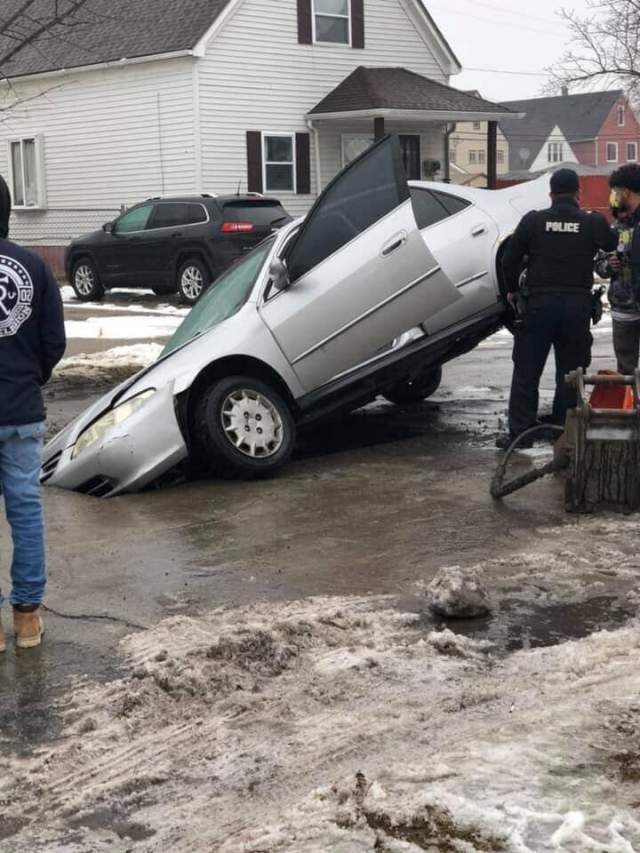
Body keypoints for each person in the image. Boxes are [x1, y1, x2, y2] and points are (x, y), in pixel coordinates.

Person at [497, 168, 617, 449]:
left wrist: (513, 290)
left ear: (551, 194)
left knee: (527, 370)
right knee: (571, 370)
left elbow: (508, 260)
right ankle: (564, 432)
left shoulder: (533, 221)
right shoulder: (591, 222)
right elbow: (611, 243)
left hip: (538, 306)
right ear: (579, 193)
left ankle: (520, 434)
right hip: (576, 308)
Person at [0, 175, 66, 651]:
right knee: (25, 513)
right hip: (22, 412)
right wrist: (29, 378)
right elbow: (53, 341)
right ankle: (26, 619)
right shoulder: (34, 267)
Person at [605, 165, 640, 373]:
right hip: (623, 309)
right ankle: (631, 404)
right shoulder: (616, 227)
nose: (613, 197)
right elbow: (599, 263)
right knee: (625, 372)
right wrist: (608, 265)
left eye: (615, 191)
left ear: (626, 192)